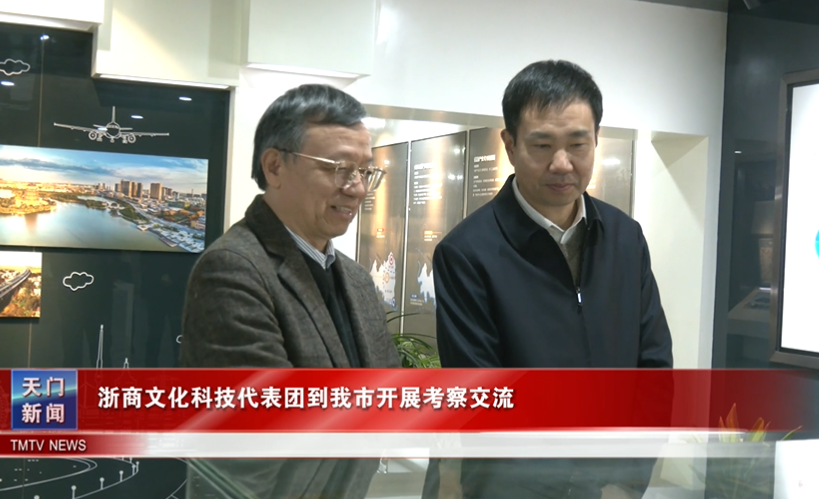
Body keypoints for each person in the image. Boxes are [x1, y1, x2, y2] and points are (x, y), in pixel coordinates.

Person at [427, 60, 674, 498]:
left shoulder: (624, 237)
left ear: (596, 139)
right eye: (542, 145)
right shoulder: (467, 252)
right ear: (510, 144)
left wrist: (626, 481)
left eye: (578, 144)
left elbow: (653, 370)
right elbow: (484, 398)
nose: (562, 164)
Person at [180, 83, 401, 499]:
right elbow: (247, 450)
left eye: (364, 171)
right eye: (338, 168)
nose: (356, 187)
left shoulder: (356, 279)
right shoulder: (235, 269)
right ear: (275, 166)